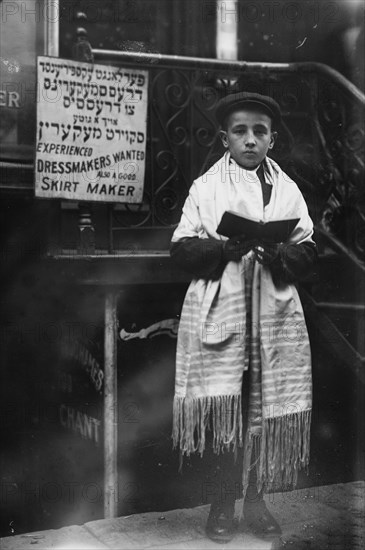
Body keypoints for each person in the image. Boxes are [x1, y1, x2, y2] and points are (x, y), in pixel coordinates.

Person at [170, 92, 317, 543]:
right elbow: (181, 247)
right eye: (240, 131)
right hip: (225, 310)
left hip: (271, 313)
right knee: (227, 411)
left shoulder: (288, 189)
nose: (250, 140)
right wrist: (222, 248)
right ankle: (221, 503)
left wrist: (280, 253)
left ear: (272, 139)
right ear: (224, 138)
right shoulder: (206, 187)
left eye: (259, 131)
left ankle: (257, 502)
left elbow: (309, 248)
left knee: (262, 407)